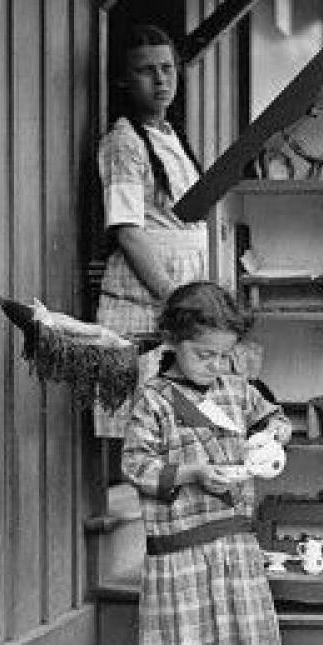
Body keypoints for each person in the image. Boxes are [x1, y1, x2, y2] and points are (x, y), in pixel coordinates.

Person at [123, 282, 292, 645]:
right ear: (173, 338)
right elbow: (135, 464)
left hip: (230, 541)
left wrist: (272, 435)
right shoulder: (154, 398)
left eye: (224, 355)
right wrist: (194, 472)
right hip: (177, 544)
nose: (215, 365)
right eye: (203, 354)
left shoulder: (237, 390)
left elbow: (275, 417)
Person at [95, 24, 210, 439]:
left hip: (186, 284)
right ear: (125, 80)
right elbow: (127, 231)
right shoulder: (124, 142)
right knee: (146, 422)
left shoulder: (171, 135)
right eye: (146, 71)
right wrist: (173, 295)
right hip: (148, 293)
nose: (160, 80)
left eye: (167, 69)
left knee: (190, 419)